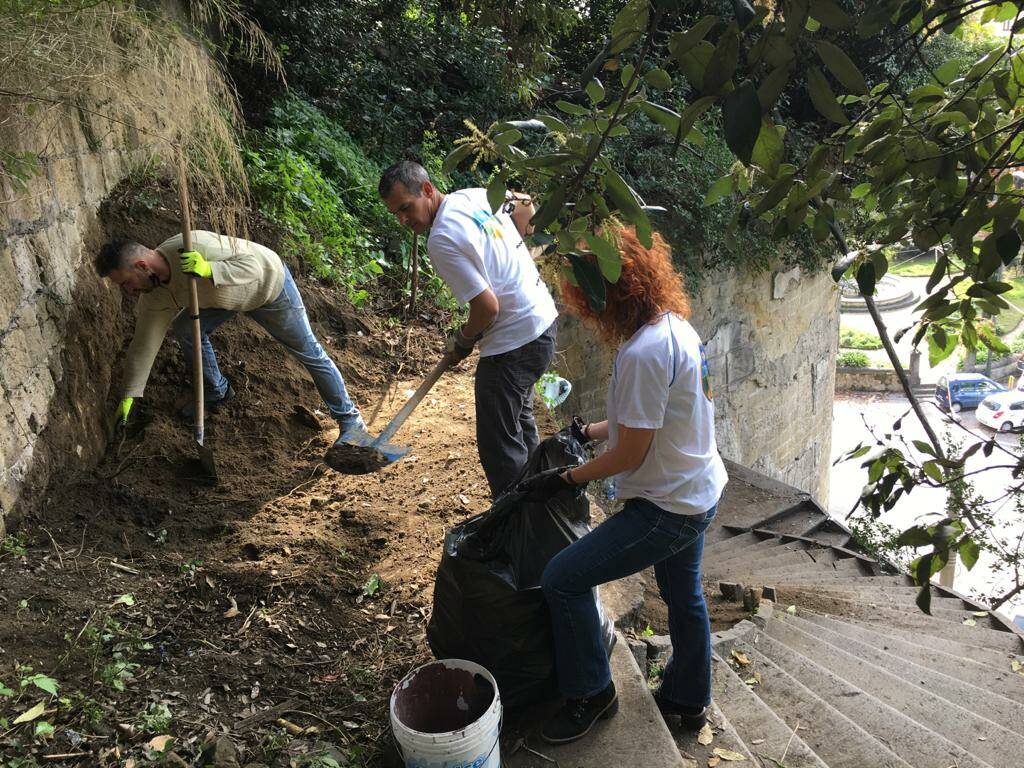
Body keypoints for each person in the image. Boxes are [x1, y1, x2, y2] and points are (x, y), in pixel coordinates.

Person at [518, 226, 728, 745]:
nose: (584, 309)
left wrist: (564, 477)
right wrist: (586, 432)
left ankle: (592, 694)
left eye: (586, 296)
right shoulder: (675, 328)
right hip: (699, 488)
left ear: (608, 295)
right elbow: (644, 420)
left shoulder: (641, 354)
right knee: (686, 599)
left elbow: (631, 452)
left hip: (667, 506)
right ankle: (688, 698)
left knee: (562, 578)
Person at [95, 231, 365, 458]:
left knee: (309, 353)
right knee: (185, 328)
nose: (129, 291)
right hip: (224, 298)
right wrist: (130, 393)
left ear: (142, 266)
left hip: (268, 287)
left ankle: (350, 422)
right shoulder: (154, 296)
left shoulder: (194, 245)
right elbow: (144, 342)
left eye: (127, 283)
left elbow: (253, 267)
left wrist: (209, 268)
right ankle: (217, 390)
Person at [378, 161, 558, 498]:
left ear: (427, 190)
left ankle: (517, 526)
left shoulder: (442, 238)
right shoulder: (475, 196)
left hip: (513, 341)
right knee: (519, 421)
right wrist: (516, 245)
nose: (403, 220)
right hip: (543, 325)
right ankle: (545, 503)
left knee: (499, 447)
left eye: (406, 208)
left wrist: (463, 339)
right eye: (396, 214)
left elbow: (487, 309)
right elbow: (525, 202)